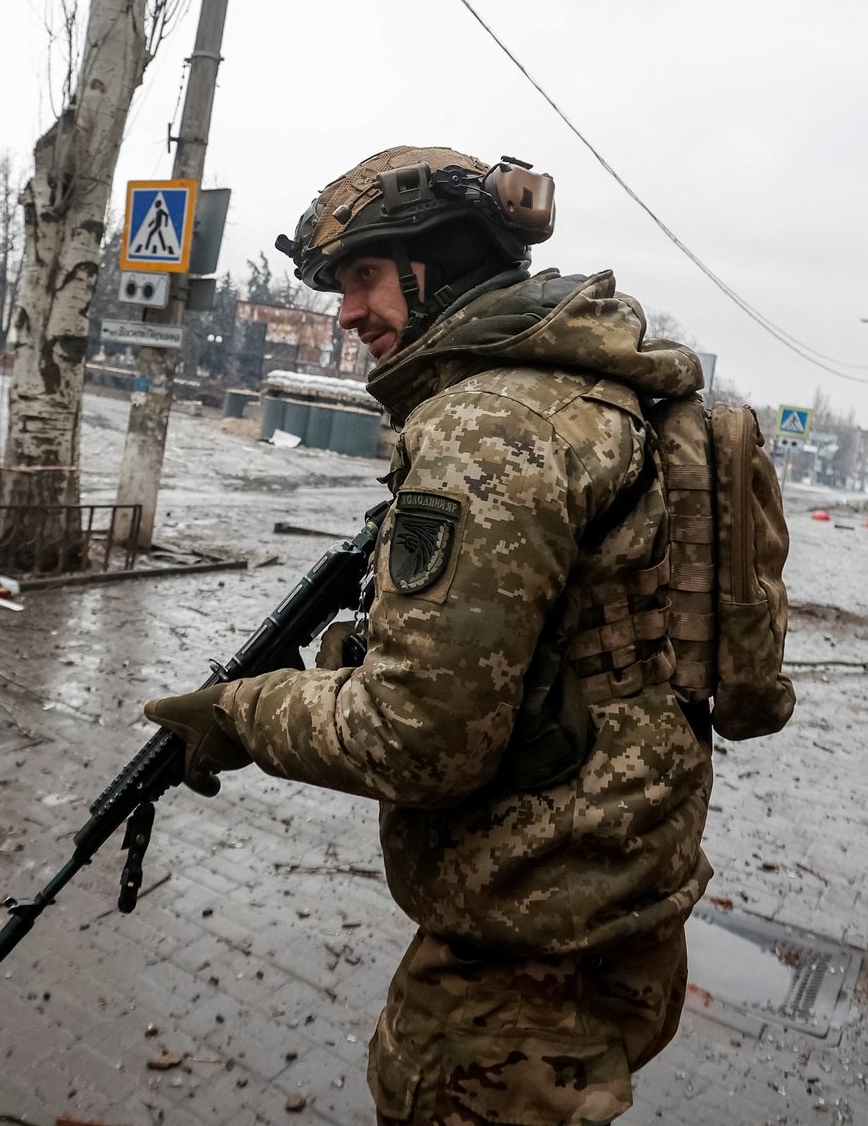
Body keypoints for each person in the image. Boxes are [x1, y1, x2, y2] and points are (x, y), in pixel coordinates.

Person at [144, 146, 712, 1126]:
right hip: (616, 892)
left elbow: (418, 740)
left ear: (436, 263)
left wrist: (239, 713)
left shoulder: (489, 426)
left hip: (524, 948)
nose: (346, 313)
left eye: (361, 278)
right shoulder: (591, 391)